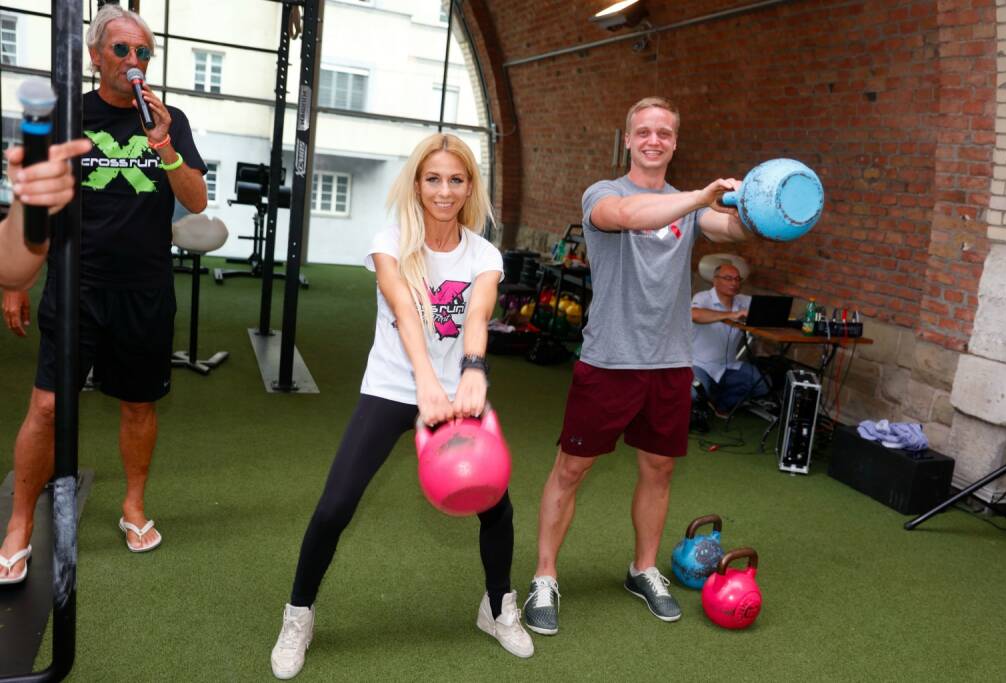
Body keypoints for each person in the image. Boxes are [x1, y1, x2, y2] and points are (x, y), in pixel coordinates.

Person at [269, 133, 532, 680]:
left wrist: (472, 372)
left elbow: (478, 317)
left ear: (469, 187)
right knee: (336, 505)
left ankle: (497, 606)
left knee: (496, 506)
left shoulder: (483, 253)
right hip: (393, 383)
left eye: (455, 180)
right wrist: (424, 383)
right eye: (433, 179)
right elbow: (408, 315)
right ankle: (298, 615)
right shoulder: (390, 241)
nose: (444, 190)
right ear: (417, 182)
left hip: (460, 389)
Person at [523, 96, 750, 634]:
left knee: (659, 468)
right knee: (571, 469)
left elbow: (734, 232)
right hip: (610, 359)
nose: (653, 139)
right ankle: (544, 576)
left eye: (664, 133)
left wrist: (755, 202)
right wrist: (702, 197)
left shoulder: (692, 207)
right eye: (643, 131)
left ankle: (643, 568)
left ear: (674, 142)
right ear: (627, 140)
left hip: (671, 361)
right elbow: (626, 217)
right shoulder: (604, 194)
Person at [0, 3, 208, 585]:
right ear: (96, 57)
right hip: (76, 282)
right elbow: (32, 201)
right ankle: (18, 523)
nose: (134, 61)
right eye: (122, 50)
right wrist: (15, 279)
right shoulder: (69, 116)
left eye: (143, 52)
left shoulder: (169, 120)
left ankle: (133, 507)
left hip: (144, 287)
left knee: (139, 404)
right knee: (46, 405)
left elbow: (195, 200)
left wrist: (164, 145)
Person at [0, 140, 93, 291]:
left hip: (144, 294)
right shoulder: (57, 122)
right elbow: (10, 277)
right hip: (66, 285)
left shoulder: (145, 124)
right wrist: (27, 199)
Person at [691, 262, 769, 415]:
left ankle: (719, 403)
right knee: (693, 395)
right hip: (699, 364)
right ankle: (706, 396)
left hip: (728, 365)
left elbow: (767, 310)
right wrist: (730, 315)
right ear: (715, 280)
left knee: (762, 385)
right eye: (728, 278)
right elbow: (695, 314)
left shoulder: (744, 301)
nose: (734, 283)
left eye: (737, 279)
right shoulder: (703, 297)